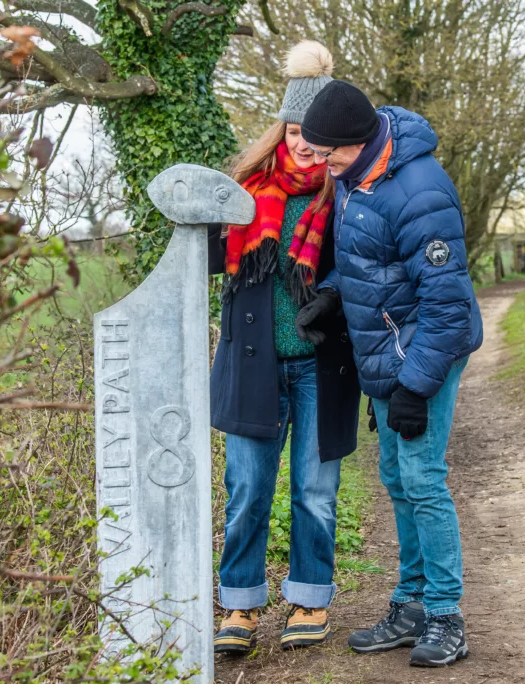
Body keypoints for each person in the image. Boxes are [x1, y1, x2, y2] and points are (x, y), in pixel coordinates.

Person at [296, 80, 483, 668]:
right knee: (398, 480)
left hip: (424, 353)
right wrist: (331, 294)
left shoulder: (420, 190)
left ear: (357, 140)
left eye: (329, 152)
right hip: (387, 353)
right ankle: (411, 604)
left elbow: (448, 309)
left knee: (424, 479)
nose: (321, 162)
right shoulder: (358, 179)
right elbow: (369, 262)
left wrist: (415, 385)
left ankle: (447, 616)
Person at [207, 42, 360, 654]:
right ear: (281, 132)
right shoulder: (242, 195)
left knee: (316, 495)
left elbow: (365, 268)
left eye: (312, 135)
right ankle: (240, 607)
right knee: (246, 492)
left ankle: (308, 598)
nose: (302, 144)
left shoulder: (346, 197)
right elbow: (209, 262)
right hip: (253, 367)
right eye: (293, 131)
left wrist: (335, 293)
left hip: (320, 368)